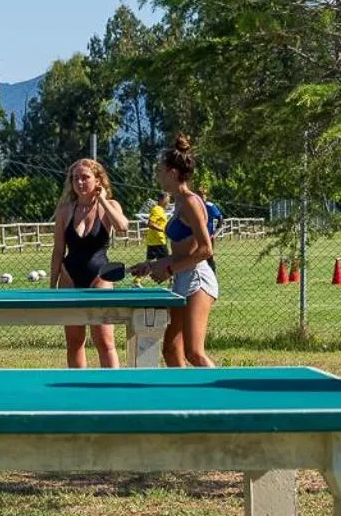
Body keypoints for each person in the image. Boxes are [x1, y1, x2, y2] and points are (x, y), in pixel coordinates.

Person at [129, 135, 217, 367]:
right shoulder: (178, 202)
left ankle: (221, 389)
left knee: (194, 352)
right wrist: (151, 266)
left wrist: (168, 270)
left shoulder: (191, 202)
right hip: (182, 278)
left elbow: (205, 250)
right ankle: (185, 390)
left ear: (172, 172)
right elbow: (180, 253)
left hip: (198, 280)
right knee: (170, 350)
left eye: (160, 171)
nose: (158, 176)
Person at [48, 158, 129, 368]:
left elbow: (122, 227)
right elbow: (58, 250)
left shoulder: (110, 205)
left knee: (105, 342)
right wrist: (52, 285)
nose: (80, 182)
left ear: (98, 180)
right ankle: (78, 386)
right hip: (69, 277)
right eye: (75, 178)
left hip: (100, 277)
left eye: (85, 177)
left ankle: (113, 385)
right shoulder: (65, 210)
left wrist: (102, 200)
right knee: (75, 342)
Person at [142, 193, 170, 268]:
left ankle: (137, 274)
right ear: (161, 199)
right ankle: (171, 278)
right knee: (166, 263)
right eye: (167, 200)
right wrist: (164, 230)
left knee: (149, 264)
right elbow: (150, 224)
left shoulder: (160, 209)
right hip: (158, 241)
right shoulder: (157, 209)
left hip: (153, 241)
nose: (168, 202)